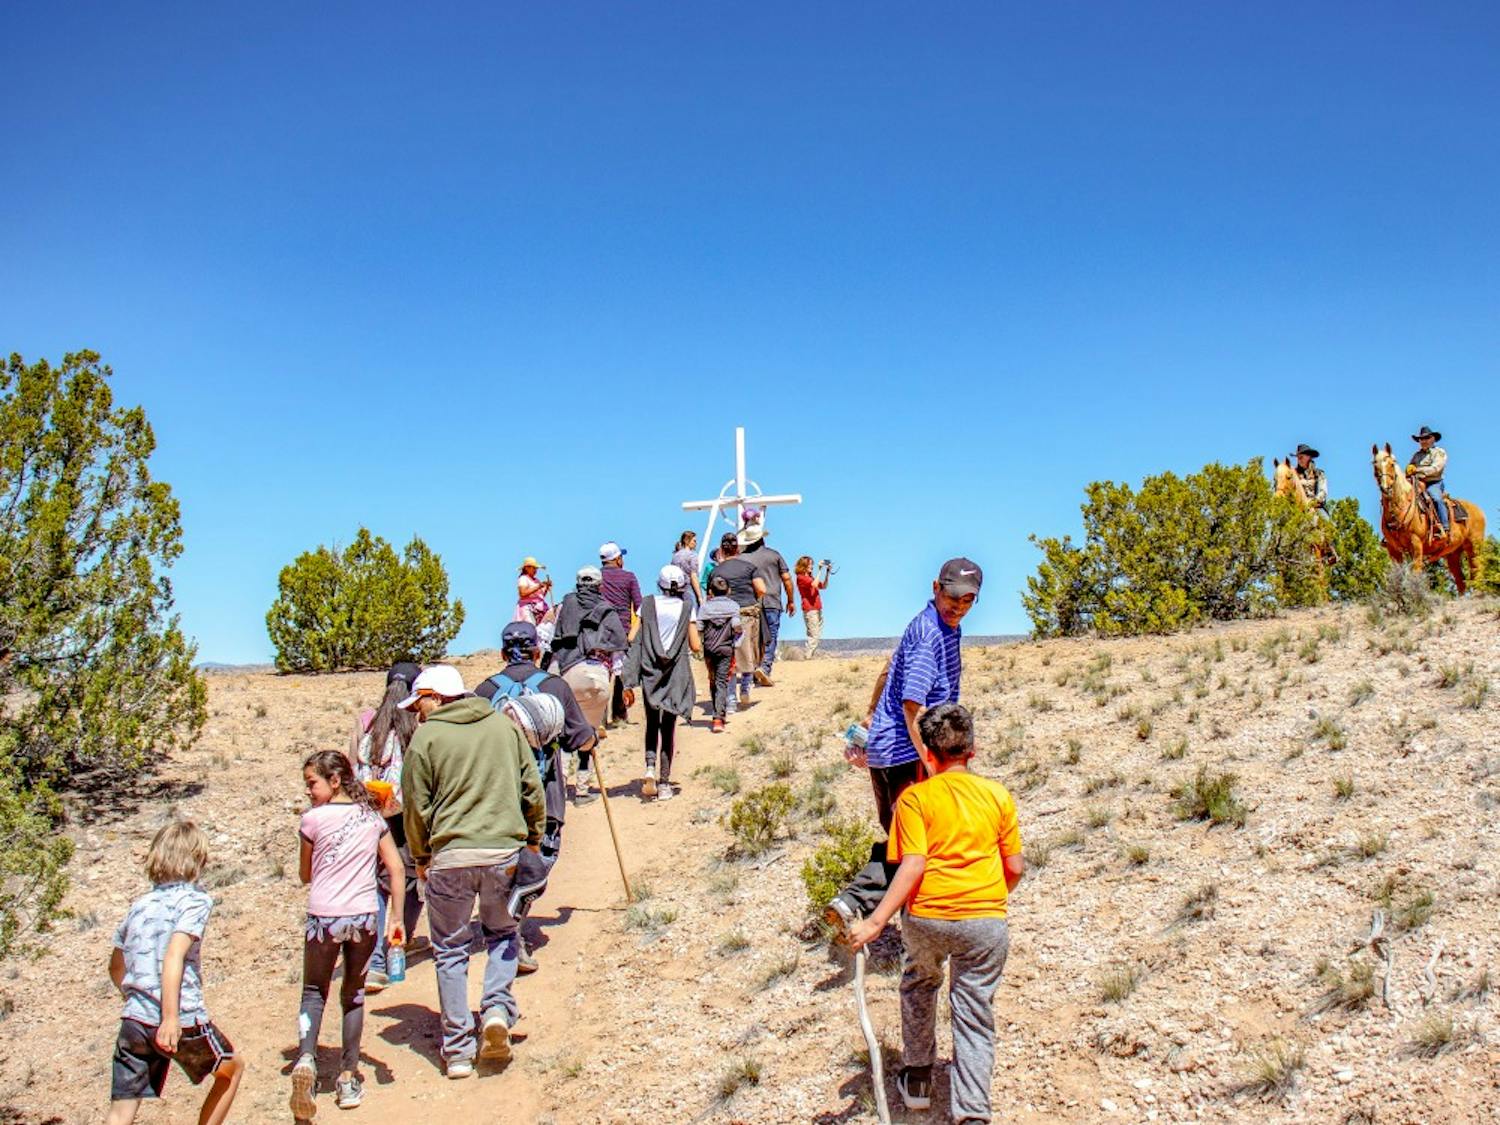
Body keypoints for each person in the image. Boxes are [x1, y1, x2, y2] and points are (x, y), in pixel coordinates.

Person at [847, 704, 1024, 1123]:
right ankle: (973, 1113)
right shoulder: (997, 796)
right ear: (973, 750)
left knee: (919, 985)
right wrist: (991, 896)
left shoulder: (914, 799)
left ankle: (919, 1081)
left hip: (927, 917)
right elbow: (1014, 867)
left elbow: (913, 864)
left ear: (926, 753)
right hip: (984, 921)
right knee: (974, 1011)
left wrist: (875, 921)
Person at [825, 558, 983, 937]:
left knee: (906, 837)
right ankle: (858, 902)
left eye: (967, 600)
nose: (957, 606)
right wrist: (934, 766)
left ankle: (882, 913)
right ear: (935, 588)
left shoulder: (935, 626)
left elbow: (888, 666)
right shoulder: (931, 634)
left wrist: (868, 718)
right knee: (916, 844)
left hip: (890, 749)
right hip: (908, 753)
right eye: (952, 596)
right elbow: (914, 708)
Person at [400, 664, 544, 1078]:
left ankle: (459, 1048)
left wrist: (421, 857)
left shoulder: (426, 738)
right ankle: (496, 1008)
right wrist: (533, 837)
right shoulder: (504, 727)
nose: (416, 712)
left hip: (449, 857)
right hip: (503, 852)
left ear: (436, 697)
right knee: (501, 933)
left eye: (419, 703)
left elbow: (416, 805)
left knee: (450, 949)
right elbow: (530, 786)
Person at [475, 621, 598, 968]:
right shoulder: (554, 686)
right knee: (538, 861)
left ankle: (502, 923)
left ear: (502, 653)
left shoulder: (485, 690)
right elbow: (579, 739)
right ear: (537, 651)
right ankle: (511, 930)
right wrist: (592, 738)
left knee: (503, 862)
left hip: (496, 795)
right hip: (545, 794)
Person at [291, 751, 406, 1116]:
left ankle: (306, 1059)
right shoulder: (372, 818)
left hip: (324, 916)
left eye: (313, 783)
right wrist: (397, 918)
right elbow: (396, 867)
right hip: (363, 917)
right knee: (353, 995)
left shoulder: (312, 821)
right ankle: (347, 1076)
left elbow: (305, 875)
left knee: (314, 990)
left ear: (334, 780)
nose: (309, 791)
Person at [107, 821, 243, 1125]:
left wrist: (134, 999)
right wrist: (169, 1017)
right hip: (181, 1018)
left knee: (121, 1111)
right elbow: (174, 955)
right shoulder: (195, 900)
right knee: (231, 1068)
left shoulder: (139, 905)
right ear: (197, 860)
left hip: (134, 1020)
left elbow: (116, 966)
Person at [351, 661, 426, 990]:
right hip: (405, 815)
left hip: (370, 814)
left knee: (378, 884)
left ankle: (375, 962)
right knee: (413, 879)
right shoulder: (416, 724)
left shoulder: (366, 720)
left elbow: (352, 759)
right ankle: (399, 941)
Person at [622, 565, 702, 800]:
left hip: (650, 673)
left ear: (660, 584)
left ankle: (649, 767)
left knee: (651, 723)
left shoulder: (646, 604)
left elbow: (631, 636)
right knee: (668, 728)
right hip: (675, 675)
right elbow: (695, 645)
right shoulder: (688, 607)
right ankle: (665, 781)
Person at [709, 533, 767, 713]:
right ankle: (745, 688)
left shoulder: (716, 571)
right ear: (738, 548)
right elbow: (762, 589)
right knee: (748, 652)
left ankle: (731, 701)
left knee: (729, 658)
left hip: (723, 617)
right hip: (747, 614)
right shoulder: (749, 567)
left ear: (722, 550)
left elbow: (710, 595)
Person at [738, 524, 794, 686]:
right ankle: (765, 667)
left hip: (749, 603)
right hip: (772, 601)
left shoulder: (741, 558)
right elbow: (787, 579)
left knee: (753, 638)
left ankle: (754, 667)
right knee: (771, 636)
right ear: (762, 538)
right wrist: (791, 600)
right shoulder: (774, 555)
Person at [549, 566, 628, 676]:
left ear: (578, 585)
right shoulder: (608, 610)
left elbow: (550, 641)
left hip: (562, 669)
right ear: (600, 586)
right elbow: (618, 653)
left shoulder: (564, 605)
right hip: (594, 673)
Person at [598, 542, 641, 723]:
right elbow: (639, 606)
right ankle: (619, 713)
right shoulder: (629, 577)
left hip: (599, 630)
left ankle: (599, 717)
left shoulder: (596, 577)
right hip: (622, 630)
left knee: (601, 672)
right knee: (620, 673)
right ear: (617, 559)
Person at [698, 573, 743, 734]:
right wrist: (737, 638)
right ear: (729, 591)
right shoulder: (734, 606)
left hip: (709, 649)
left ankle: (717, 709)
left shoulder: (705, 607)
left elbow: (699, 628)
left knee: (712, 679)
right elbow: (737, 625)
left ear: (710, 591)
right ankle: (718, 718)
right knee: (722, 681)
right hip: (726, 649)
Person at [1407, 425, 1450, 538]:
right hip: (1416, 482)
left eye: (1427, 438)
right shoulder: (1417, 455)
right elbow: (1410, 467)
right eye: (1421, 439)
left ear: (1433, 439)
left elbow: (1436, 468)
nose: (1424, 441)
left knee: (1435, 498)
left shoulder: (1439, 452)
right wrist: (1408, 470)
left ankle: (1444, 527)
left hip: (1434, 482)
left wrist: (1417, 470)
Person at [795, 556, 832, 657]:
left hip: (817, 608)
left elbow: (823, 586)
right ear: (804, 565)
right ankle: (807, 656)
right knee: (814, 634)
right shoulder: (801, 578)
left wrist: (827, 573)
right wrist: (820, 571)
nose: (812, 566)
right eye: (810, 564)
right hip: (810, 609)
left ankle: (809, 655)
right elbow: (814, 584)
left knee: (817, 634)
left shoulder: (811, 577)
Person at [1292, 444, 1329, 521]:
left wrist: (1312, 502)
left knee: (1327, 522)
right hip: (1297, 509)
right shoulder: (1294, 475)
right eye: (1298, 458)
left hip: (1316, 508)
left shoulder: (1319, 474)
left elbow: (1323, 492)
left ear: (1309, 457)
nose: (1299, 460)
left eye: (1301, 457)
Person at [513, 558, 553, 625]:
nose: (535, 570)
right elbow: (522, 593)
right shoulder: (523, 578)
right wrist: (539, 586)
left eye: (536, 568)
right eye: (533, 568)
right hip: (527, 609)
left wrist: (546, 587)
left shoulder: (536, 580)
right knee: (530, 628)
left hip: (538, 610)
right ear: (526, 568)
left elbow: (540, 596)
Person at [670, 530, 705, 606]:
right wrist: (700, 597)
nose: (696, 543)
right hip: (688, 588)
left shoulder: (675, 556)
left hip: (676, 590)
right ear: (687, 541)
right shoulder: (692, 555)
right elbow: (693, 576)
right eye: (694, 541)